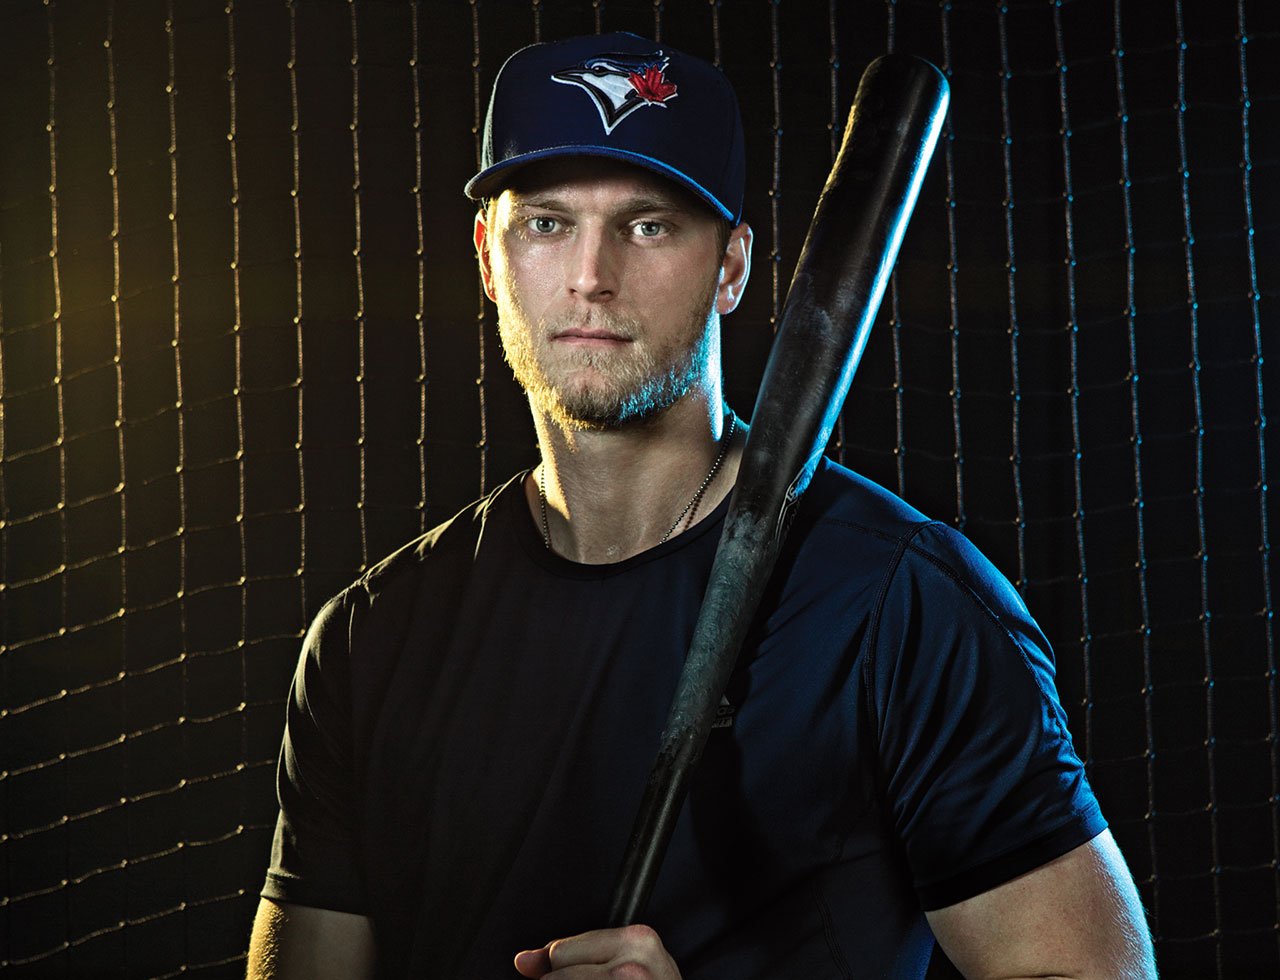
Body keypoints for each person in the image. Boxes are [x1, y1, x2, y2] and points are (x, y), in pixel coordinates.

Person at [246, 32, 1156, 979]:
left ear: (731, 266)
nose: (591, 274)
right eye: (547, 224)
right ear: (489, 256)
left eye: (648, 226)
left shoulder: (896, 604)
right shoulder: (372, 637)